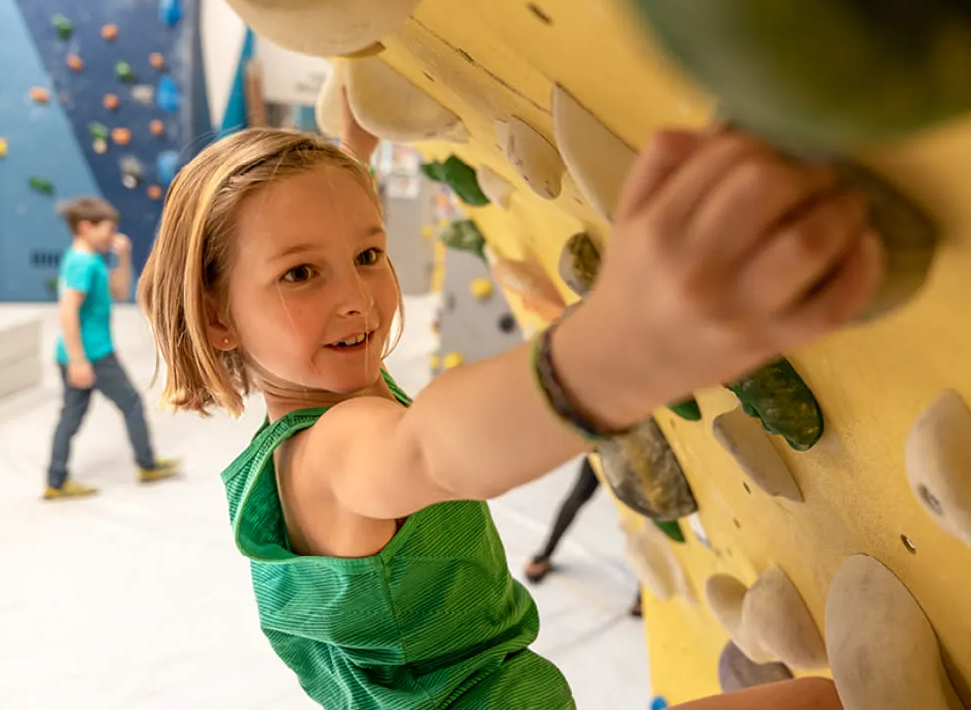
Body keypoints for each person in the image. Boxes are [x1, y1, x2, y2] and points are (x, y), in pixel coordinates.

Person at [138, 84, 883, 710]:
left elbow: (312, 232)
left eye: (368, 254)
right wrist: (619, 350)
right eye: (300, 274)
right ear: (217, 319)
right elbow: (433, 446)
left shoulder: (307, 412)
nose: (357, 297)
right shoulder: (335, 451)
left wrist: (351, 146)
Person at [43, 196, 181, 500]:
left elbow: (118, 293)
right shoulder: (82, 264)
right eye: (107, 229)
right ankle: (147, 464)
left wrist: (123, 258)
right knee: (131, 403)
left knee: (71, 416)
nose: (113, 235)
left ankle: (55, 480)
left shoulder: (87, 259)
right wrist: (79, 361)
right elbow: (67, 312)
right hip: (93, 354)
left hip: (84, 353)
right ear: (84, 227)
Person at [523, 457, 645, 618]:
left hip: (632, 447)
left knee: (644, 517)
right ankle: (544, 554)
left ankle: (645, 589)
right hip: (610, 444)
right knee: (579, 495)